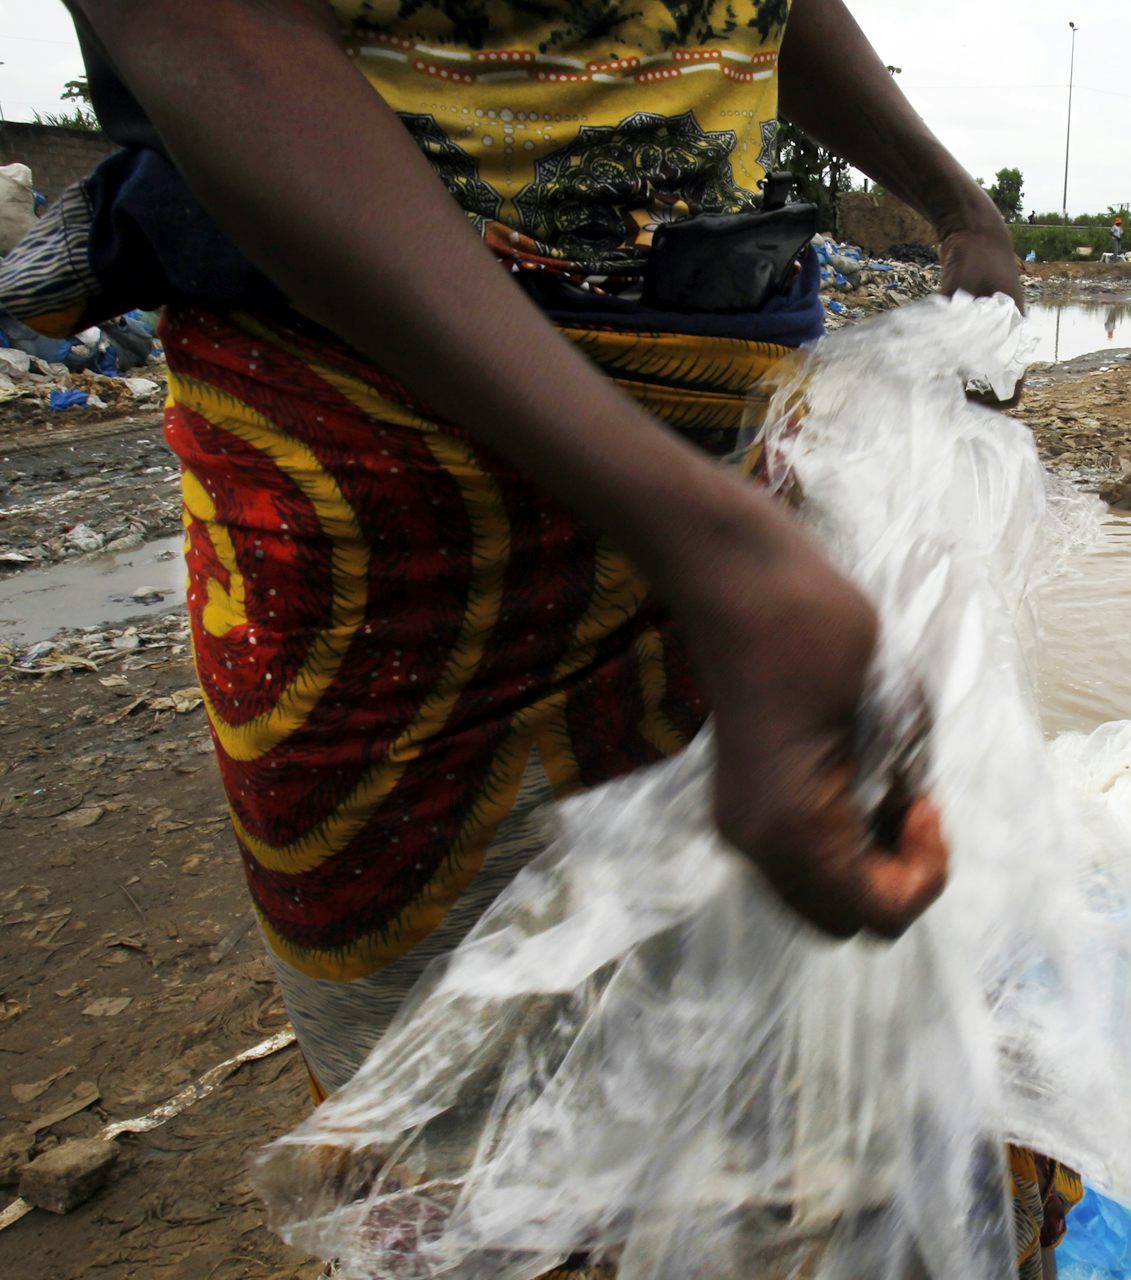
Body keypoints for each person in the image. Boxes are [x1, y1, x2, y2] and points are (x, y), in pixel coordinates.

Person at [25, 2, 1075, 1275]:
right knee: (490, 1161)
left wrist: (953, 197)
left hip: (738, 418)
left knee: (811, 1122)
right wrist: (718, 549)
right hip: (389, 492)